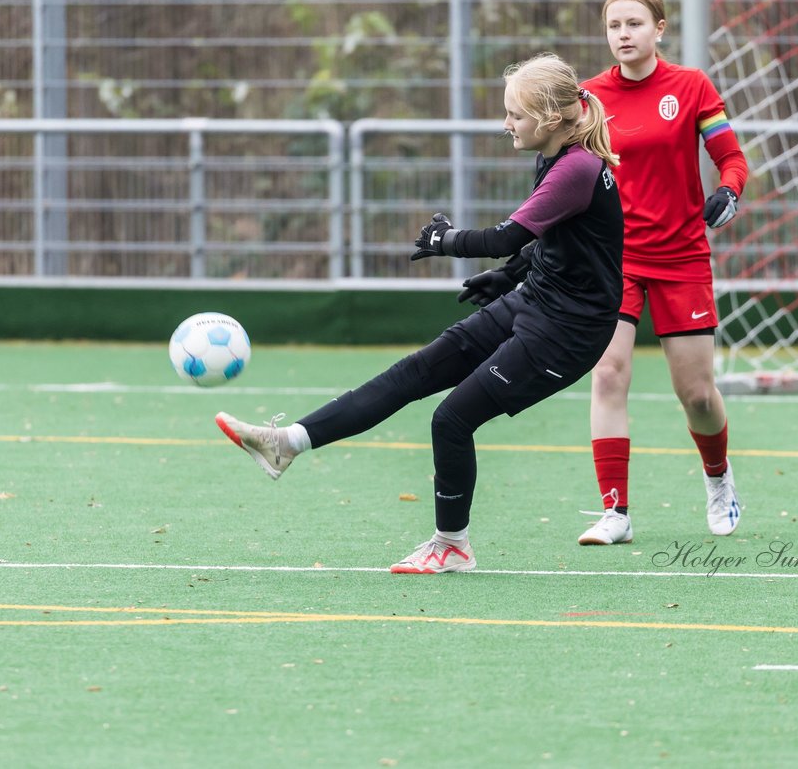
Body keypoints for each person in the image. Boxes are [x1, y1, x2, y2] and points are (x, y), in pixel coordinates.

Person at [216, 53, 624, 574]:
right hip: (535, 301)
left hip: (567, 332)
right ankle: (287, 443)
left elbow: (504, 236)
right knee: (415, 371)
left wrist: (444, 240)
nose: (506, 123)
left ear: (548, 118)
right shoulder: (556, 155)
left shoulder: (576, 168)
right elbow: (564, 239)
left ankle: (452, 546)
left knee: (452, 419)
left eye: (515, 114)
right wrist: (510, 276)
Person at [463, 0, 750, 546]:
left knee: (697, 394)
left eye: (634, 23)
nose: (624, 34)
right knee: (609, 374)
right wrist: (517, 267)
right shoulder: (588, 100)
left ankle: (718, 478)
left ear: (658, 29)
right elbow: (559, 197)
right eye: (614, 25)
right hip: (611, 264)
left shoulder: (691, 87)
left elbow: (732, 157)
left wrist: (729, 190)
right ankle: (615, 511)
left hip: (683, 258)